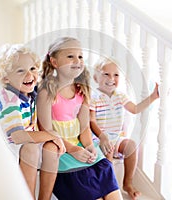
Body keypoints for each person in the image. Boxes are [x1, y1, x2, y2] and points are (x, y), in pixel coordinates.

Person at [37, 37, 122, 200]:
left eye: (80, 56)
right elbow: (46, 129)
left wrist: (89, 146)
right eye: (70, 56)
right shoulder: (46, 92)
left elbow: (84, 128)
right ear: (54, 62)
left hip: (80, 146)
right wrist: (73, 150)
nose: (77, 60)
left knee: (108, 182)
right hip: (62, 149)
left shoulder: (82, 90)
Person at [0, 44, 65, 200]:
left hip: (25, 139)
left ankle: (44, 198)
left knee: (52, 148)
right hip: (9, 144)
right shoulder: (9, 99)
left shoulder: (30, 90)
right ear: (6, 77)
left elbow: (50, 81)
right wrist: (50, 134)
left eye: (33, 69)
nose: (29, 75)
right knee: (31, 149)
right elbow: (18, 136)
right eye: (20, 71)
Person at [90, 57, 160, 200]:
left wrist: (153, 97)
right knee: (108, 154)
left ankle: (127, 183)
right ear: (96, 77)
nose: (111, 78)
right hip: (98, 139)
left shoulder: (120, 95)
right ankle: (107, 189)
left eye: (116, 75)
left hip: (115, 138)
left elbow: (134, 109)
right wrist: (102, 137)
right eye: (106, 74)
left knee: (131, 145)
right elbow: (90, 121)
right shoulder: (94, 96)